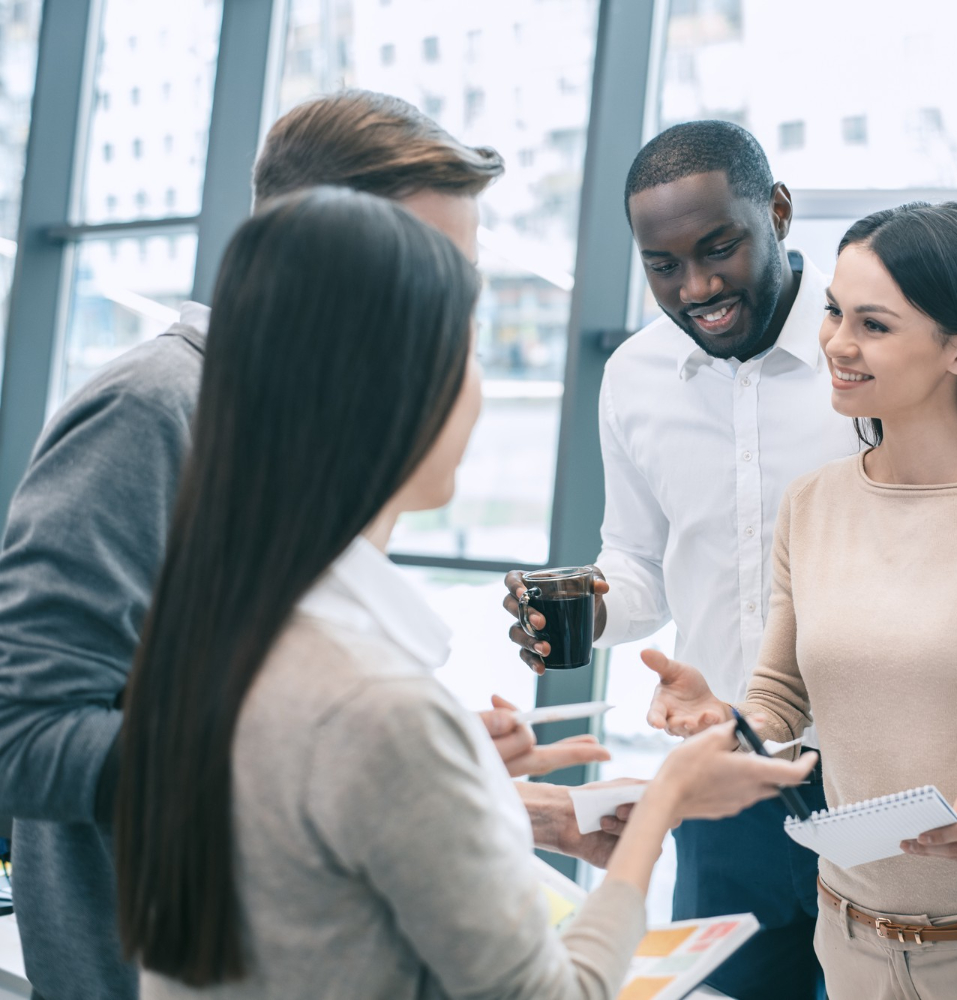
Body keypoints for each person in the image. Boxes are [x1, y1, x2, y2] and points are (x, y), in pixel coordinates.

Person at [111, 185, 817, 999]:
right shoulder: (374, 702)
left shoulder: (221, 634)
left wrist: (481, 791)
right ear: (403, 395)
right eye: (469, 351)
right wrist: (662, 808)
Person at [0, 91, 616, 1000]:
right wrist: (342, 757)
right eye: (424, 279)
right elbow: (21, 730)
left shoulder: (311, 424)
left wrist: (402, 765)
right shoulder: (157, 406)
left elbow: (260, 708)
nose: (439, 331)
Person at [644, 202, 957, 999]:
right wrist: (723, 722)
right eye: (834, 311)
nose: (835, 342)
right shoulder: (814, 504)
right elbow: (782, 694)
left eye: (874, 324)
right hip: (852, 949)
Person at [503, 120, 856, 1000]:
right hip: (724, 775)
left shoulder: (863, 351)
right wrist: (583, 606)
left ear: (777, 212)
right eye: (663, 266)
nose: (697, 288)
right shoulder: (633, 377)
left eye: (719, 248)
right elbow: (638, 566)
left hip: (877, 765)